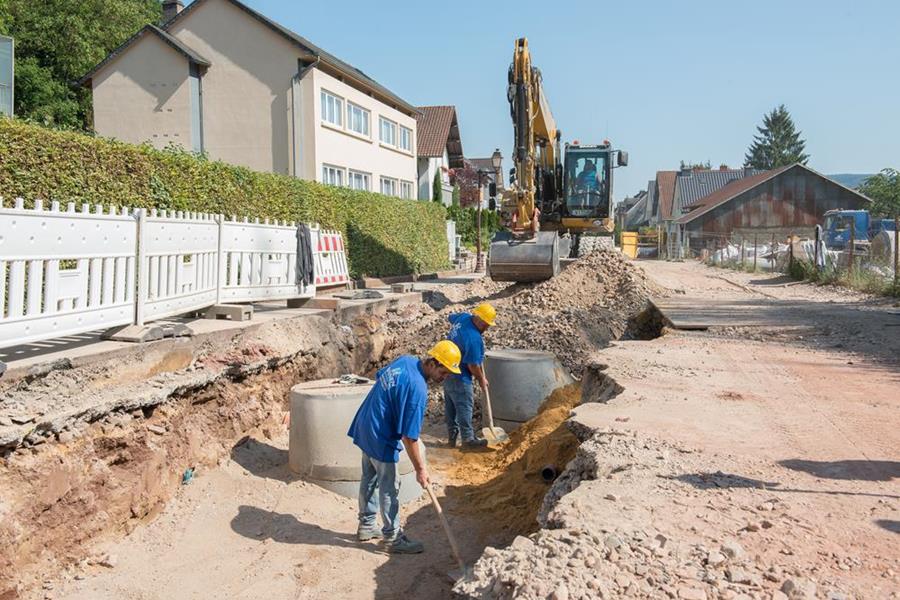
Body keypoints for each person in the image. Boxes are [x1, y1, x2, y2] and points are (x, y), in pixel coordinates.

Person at [347, 340, 462, 554]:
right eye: (444, 373)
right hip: (381, 435)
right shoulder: (417, 389)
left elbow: (382, 377)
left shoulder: (406, 360)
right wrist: (420, 469)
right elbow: (410, 438)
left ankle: (366, 525)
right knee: (389, 487)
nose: (445, 378)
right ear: (433, 363)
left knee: (369, 478)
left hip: (366, 423)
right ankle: (392, 538)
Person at [443, 302, 497, 449]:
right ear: (478, 319)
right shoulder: (473, 339)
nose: (486, 328)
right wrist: (481, 379)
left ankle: (452, 438)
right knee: (464, 406)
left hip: (445, 371)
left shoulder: (463, 317)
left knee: (451, 408)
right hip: (460, 376)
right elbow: (472, 365)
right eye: (486, 324)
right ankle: (468, 440)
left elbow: (450, 317)